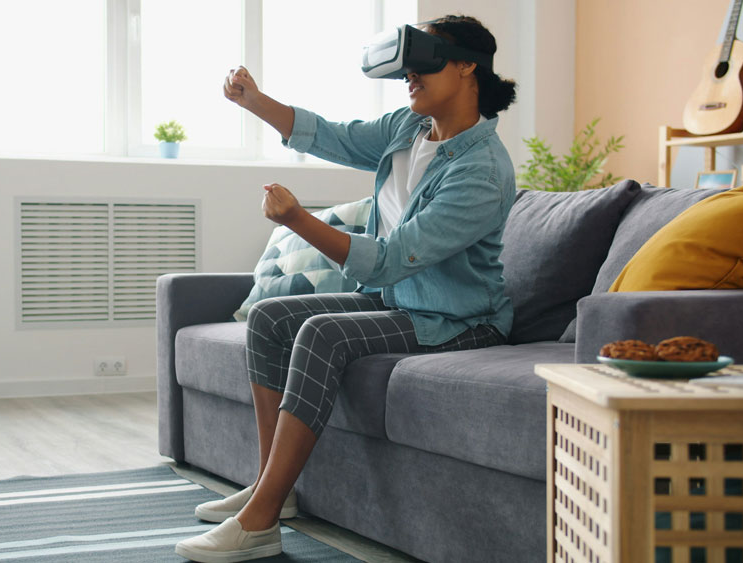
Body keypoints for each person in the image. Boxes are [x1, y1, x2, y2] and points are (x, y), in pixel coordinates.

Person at [175, 15, 519, 562]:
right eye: (406, 65)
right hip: (398, 303)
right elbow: (334, 135)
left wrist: (298, 219)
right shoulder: (410, 128)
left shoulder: (480, 170)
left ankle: (260, 519)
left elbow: (387, 261)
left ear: (466, 65)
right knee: (270, 317)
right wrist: (254, 101)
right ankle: (273, 489)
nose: (410, 75)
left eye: (423, 61)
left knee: (321, 334)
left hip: (458, 321)